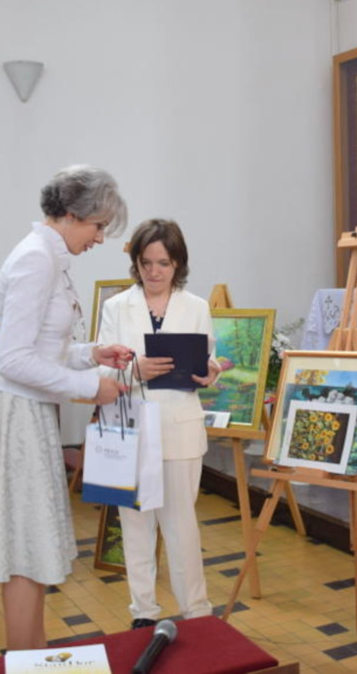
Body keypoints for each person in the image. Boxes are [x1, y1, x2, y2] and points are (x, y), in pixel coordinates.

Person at [0, 165, 133, 651]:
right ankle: (26, 656)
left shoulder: (49, 256)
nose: (99, 238)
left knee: (27, 548)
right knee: (23, 549)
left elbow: (42, 350)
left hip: (24, 410)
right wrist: (90, 386)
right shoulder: (37, 258)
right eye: (98, 226)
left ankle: (32, 654)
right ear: (73, 213)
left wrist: (91, 354)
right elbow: (13, 360)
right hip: (11, 412)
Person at [95, 218, 220, 629]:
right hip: (128, 428)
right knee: (135, 526)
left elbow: (207, 361)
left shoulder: (196, 307)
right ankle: (143, 613)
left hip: (180, 428)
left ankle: (196, 612)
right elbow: (104, 373)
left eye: (163, 263)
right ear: (135, 262)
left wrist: (211, 371)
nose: (154, 271)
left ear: (177, 263)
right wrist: (136, 372)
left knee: (182, 527)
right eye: (145, 262)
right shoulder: (116, 307)